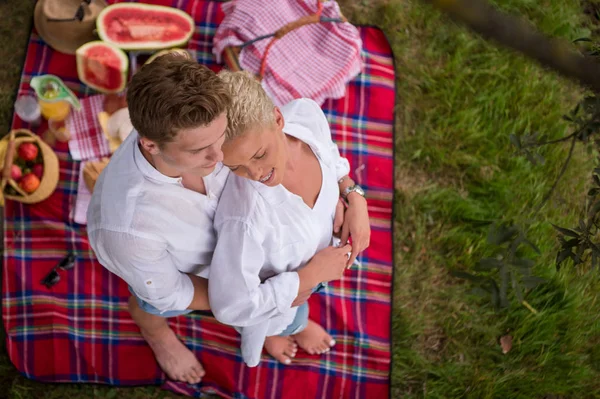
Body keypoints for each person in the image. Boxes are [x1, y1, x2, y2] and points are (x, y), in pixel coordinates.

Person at [209, 70, 371, 367]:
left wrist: (353, 194)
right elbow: (232, 306)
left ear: (278, 119)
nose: (255, 174)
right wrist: (308, 277)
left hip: (321, 261)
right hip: (286, 291)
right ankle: (285, 330)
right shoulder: (244, 219)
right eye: (236, 167)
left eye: (259, 154)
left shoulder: (305, 115)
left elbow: (331, 157)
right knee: (290, 317)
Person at [87, 54, 231, 384]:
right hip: (175, 275)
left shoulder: (201, 125)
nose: (219, 156)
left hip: (228, 245)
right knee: (150, 304)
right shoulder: (129, 230)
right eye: (200, 151)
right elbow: (169, 292)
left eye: (221, 136)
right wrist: (249, 296)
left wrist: (347, 190)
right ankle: (156, 334)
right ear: (150, 145)